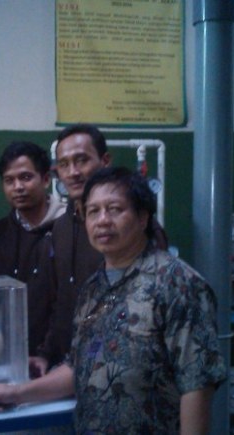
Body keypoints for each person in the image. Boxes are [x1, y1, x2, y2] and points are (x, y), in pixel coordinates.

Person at [0, 167, 226, 434]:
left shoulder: (177, 283)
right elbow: (78, 368)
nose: (103, 220)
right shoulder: (93, 288)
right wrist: (17, 393)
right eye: (93, 211)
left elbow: (196, 383)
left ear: (143, 217)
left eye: (115, 209)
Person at [47, 123, 169, 370]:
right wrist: (46, 353)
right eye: (64, 164)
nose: (73, 172)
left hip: (120, 367)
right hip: (67, 367)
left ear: (105, 161)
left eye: (81, 160)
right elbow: (59, 301)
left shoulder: (135, 230)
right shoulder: (59, 229)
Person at [0, 141, 66, 377]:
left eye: (26, 177)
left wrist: (47, 352)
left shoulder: (68, 228)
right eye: (9, 180)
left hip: (62, 359)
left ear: (46, 179)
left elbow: (69, 302)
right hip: (10, 358)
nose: (18, 187)